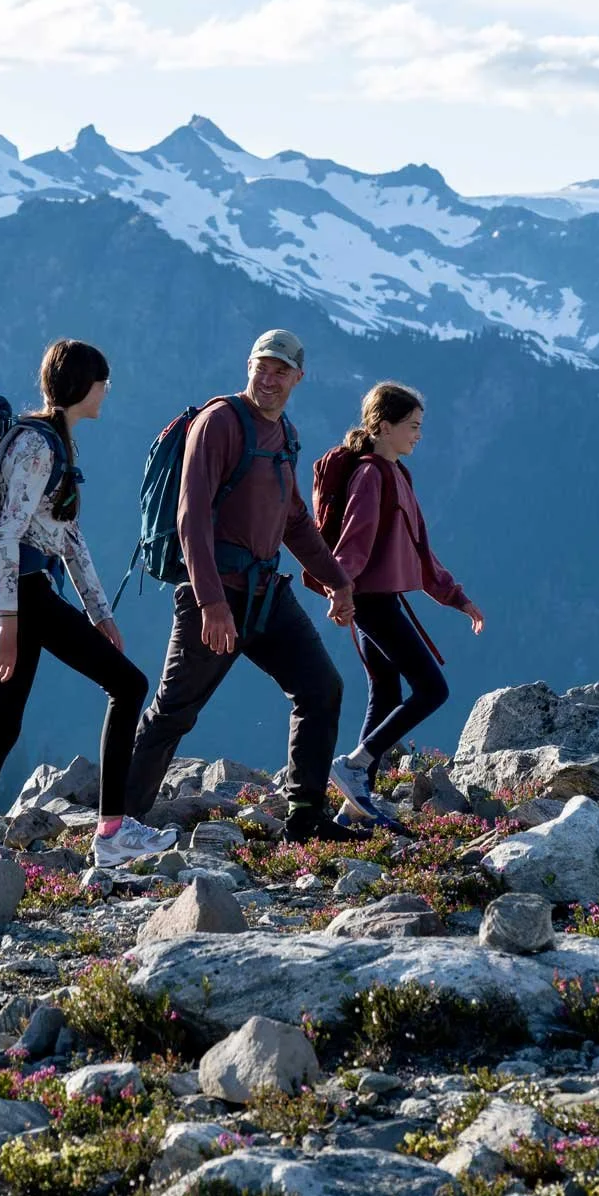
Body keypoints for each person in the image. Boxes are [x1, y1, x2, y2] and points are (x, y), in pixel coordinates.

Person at [123, 329, 369, 843]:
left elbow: (295, 520)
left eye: (281, 370)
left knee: (321, 688)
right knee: (174, 711)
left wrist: (338, 583)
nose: (269, 377)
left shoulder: (285, 436)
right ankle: (119, 824)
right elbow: (191, 518)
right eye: (263, 365)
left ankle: (304, 816)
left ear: (299, 378)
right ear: (249, 364)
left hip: (265, 596)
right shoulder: (220, 422)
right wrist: (211, 603)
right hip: (215, 595)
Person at [0, 339, 165, 869]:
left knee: (2, 729)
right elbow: (7, 535)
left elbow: (66, 535)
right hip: (25, 595)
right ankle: (112, 832)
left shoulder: (56, 442)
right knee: (129, 685)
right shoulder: (38, 447)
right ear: (81, 387)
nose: (106, 391)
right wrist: (10, 622)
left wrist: (100, 612)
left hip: (23, 595)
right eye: (101, 382)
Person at [321, 383, 484, 808]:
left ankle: (354, 803)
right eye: (412, 426)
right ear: (384, 426)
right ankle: (354, 766)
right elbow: (353, 544)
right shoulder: (371, 475)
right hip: (372, 603)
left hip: (382, 600)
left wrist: (457, 598)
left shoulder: (397, 474)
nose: (418, 434)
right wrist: (341, 591)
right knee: (432, 690)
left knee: (388, 696)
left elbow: (419, 550)